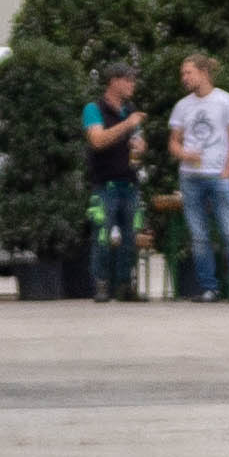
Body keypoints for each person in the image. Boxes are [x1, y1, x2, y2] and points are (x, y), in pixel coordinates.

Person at [167, 54, 229, 304]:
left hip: (217, 175)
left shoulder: (225, 101)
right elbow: (173, 141)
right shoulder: (182, 106)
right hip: (190, 177)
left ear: (203, 72)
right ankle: (208, 287)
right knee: (199, 235)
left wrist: (228, 170)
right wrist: (182, 153)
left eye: (188, 73)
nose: (184, 78)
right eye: (183, 74)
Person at [78, 63, 150, 300]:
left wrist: (140, 146)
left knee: (131, 237)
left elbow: (137, 142)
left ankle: (123, 285)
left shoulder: (130, 110)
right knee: (102, 234)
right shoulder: (93, 109)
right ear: (113, 81)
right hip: (105, 184)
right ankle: (101, 284)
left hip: (129, 183)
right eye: (128, 80)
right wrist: (127, 125)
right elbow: (97, 140)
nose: (132, 85)